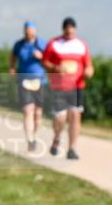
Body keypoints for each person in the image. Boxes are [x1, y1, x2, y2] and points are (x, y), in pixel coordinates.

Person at [43, 17, 94, 160]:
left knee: (75, 115)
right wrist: (55, 67)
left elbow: (88, 65)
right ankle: (57, 138)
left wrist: (89, 71)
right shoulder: (54, 44)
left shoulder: (81, 45)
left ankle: (72, 149)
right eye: (67, 31)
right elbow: (45, 61)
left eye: (72, 31)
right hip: (59, 86)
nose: (70, 33)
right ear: (63, 30)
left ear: (75, 30)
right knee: (60, 117)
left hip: (77, 85)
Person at [9, 21, 47, 152]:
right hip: (23, 80)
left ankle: (35, 136)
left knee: (38, 113)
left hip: (39, 81)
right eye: (25, 29)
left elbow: (49, 61)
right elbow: (12, 57)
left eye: (30, 29)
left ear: (34, 31)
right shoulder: (19, 45)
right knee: (27, 110)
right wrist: (12, 68)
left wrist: (41, 57)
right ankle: (30, 139)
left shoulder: (41, 44)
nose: (27, 32)